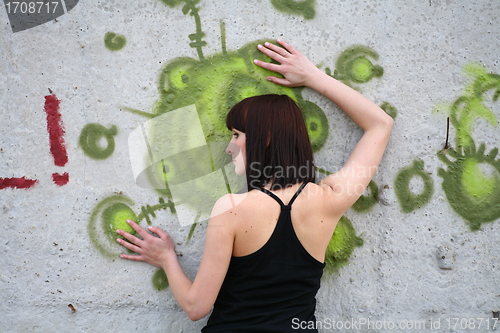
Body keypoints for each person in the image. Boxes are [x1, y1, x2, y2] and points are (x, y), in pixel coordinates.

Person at [116, 39, 393, 332]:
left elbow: (196, 306)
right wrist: (312, 76)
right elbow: (380, 124)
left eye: (236, 135)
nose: (229, 147)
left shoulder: (233, 208)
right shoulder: (330, 200)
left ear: (266, 138)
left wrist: (166, 258)